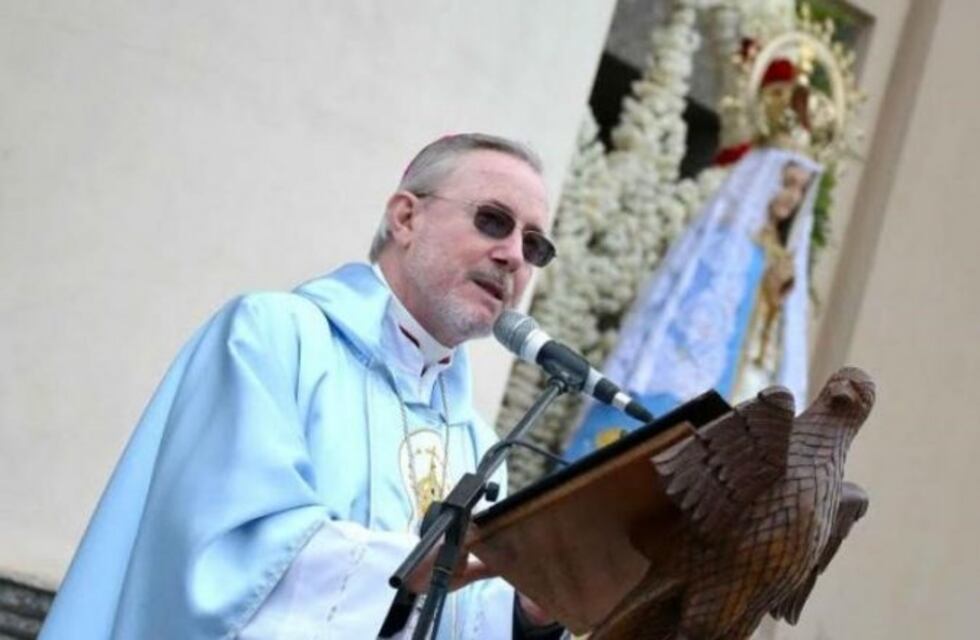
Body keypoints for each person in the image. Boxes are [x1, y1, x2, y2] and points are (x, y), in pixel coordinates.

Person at [40, 134, 563, 639]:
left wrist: (528, 615)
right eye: (492, 221)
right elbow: (225, 556)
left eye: (533, 245)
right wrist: (399, 571)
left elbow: (458, 617)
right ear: (406, 218)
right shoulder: (271, 335)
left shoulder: (475, 441)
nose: (514, 256)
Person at [565, 147, 821, 461]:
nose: (793, 197)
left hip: (736, 390)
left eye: (801, 189)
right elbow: (687, 312)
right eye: (788, 183)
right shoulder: (724, 242)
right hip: (679, 380)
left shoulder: (779, 257)